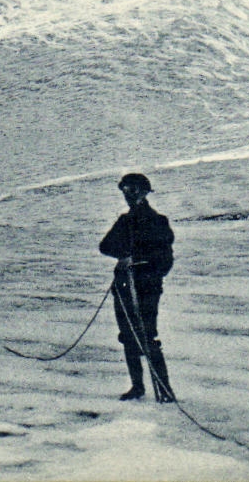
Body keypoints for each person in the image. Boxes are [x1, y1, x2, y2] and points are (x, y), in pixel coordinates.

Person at [98, 172, 175, 402]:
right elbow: (105, 246)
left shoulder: (158, 221)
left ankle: (164, 390)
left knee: (147, 335)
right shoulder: (125, 220)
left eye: (132, 191)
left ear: (143, 192)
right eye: (124, 191)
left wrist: (139, 261)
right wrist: (124, 255)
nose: (128, 196)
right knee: (128, 336)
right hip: (123, 287)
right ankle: (138, 387)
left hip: (146, 287)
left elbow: (165, 259)